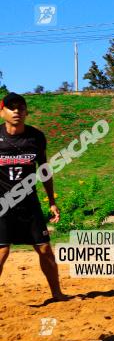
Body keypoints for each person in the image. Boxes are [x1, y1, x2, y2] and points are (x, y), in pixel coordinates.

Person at [0, 93, 64, 301]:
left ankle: (57, 294)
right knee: (1, 253)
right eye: (11, 107)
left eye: (21, 107)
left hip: (29, 204)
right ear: (2, 112)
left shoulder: (36, 137)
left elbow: (44, 170)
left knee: (45, 250)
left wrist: (52, 202)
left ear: (26, 112)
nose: (16, 111)